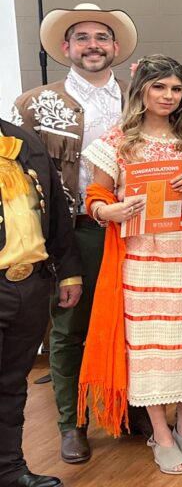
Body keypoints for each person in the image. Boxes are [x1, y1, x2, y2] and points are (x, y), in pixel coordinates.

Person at [79, 55, 182, 475]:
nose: (168, 96)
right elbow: (94, 194)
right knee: (151, 346)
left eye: (175, 88)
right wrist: (108, 211)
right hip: (141, 256)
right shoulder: (118, 140)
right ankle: (160, 432)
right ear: (142, 92)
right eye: (159, 88)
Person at [15, 2, 134, 464]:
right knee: (69, 328)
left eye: (101, 37)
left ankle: (132, 411)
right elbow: (20, 178)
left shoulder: (136, 98)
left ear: (115, 47)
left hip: (135, 228)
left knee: (134, 323)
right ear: (66, 47)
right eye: (82, 38)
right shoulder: (34, 103)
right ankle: (72, 422)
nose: (92, 46)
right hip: (73, 233)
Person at [0, 118, 83, 487]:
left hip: (30, 282)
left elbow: (58, 216)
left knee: (12, 383)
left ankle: (9, 469)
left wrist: (68, 270)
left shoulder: (21, 139)